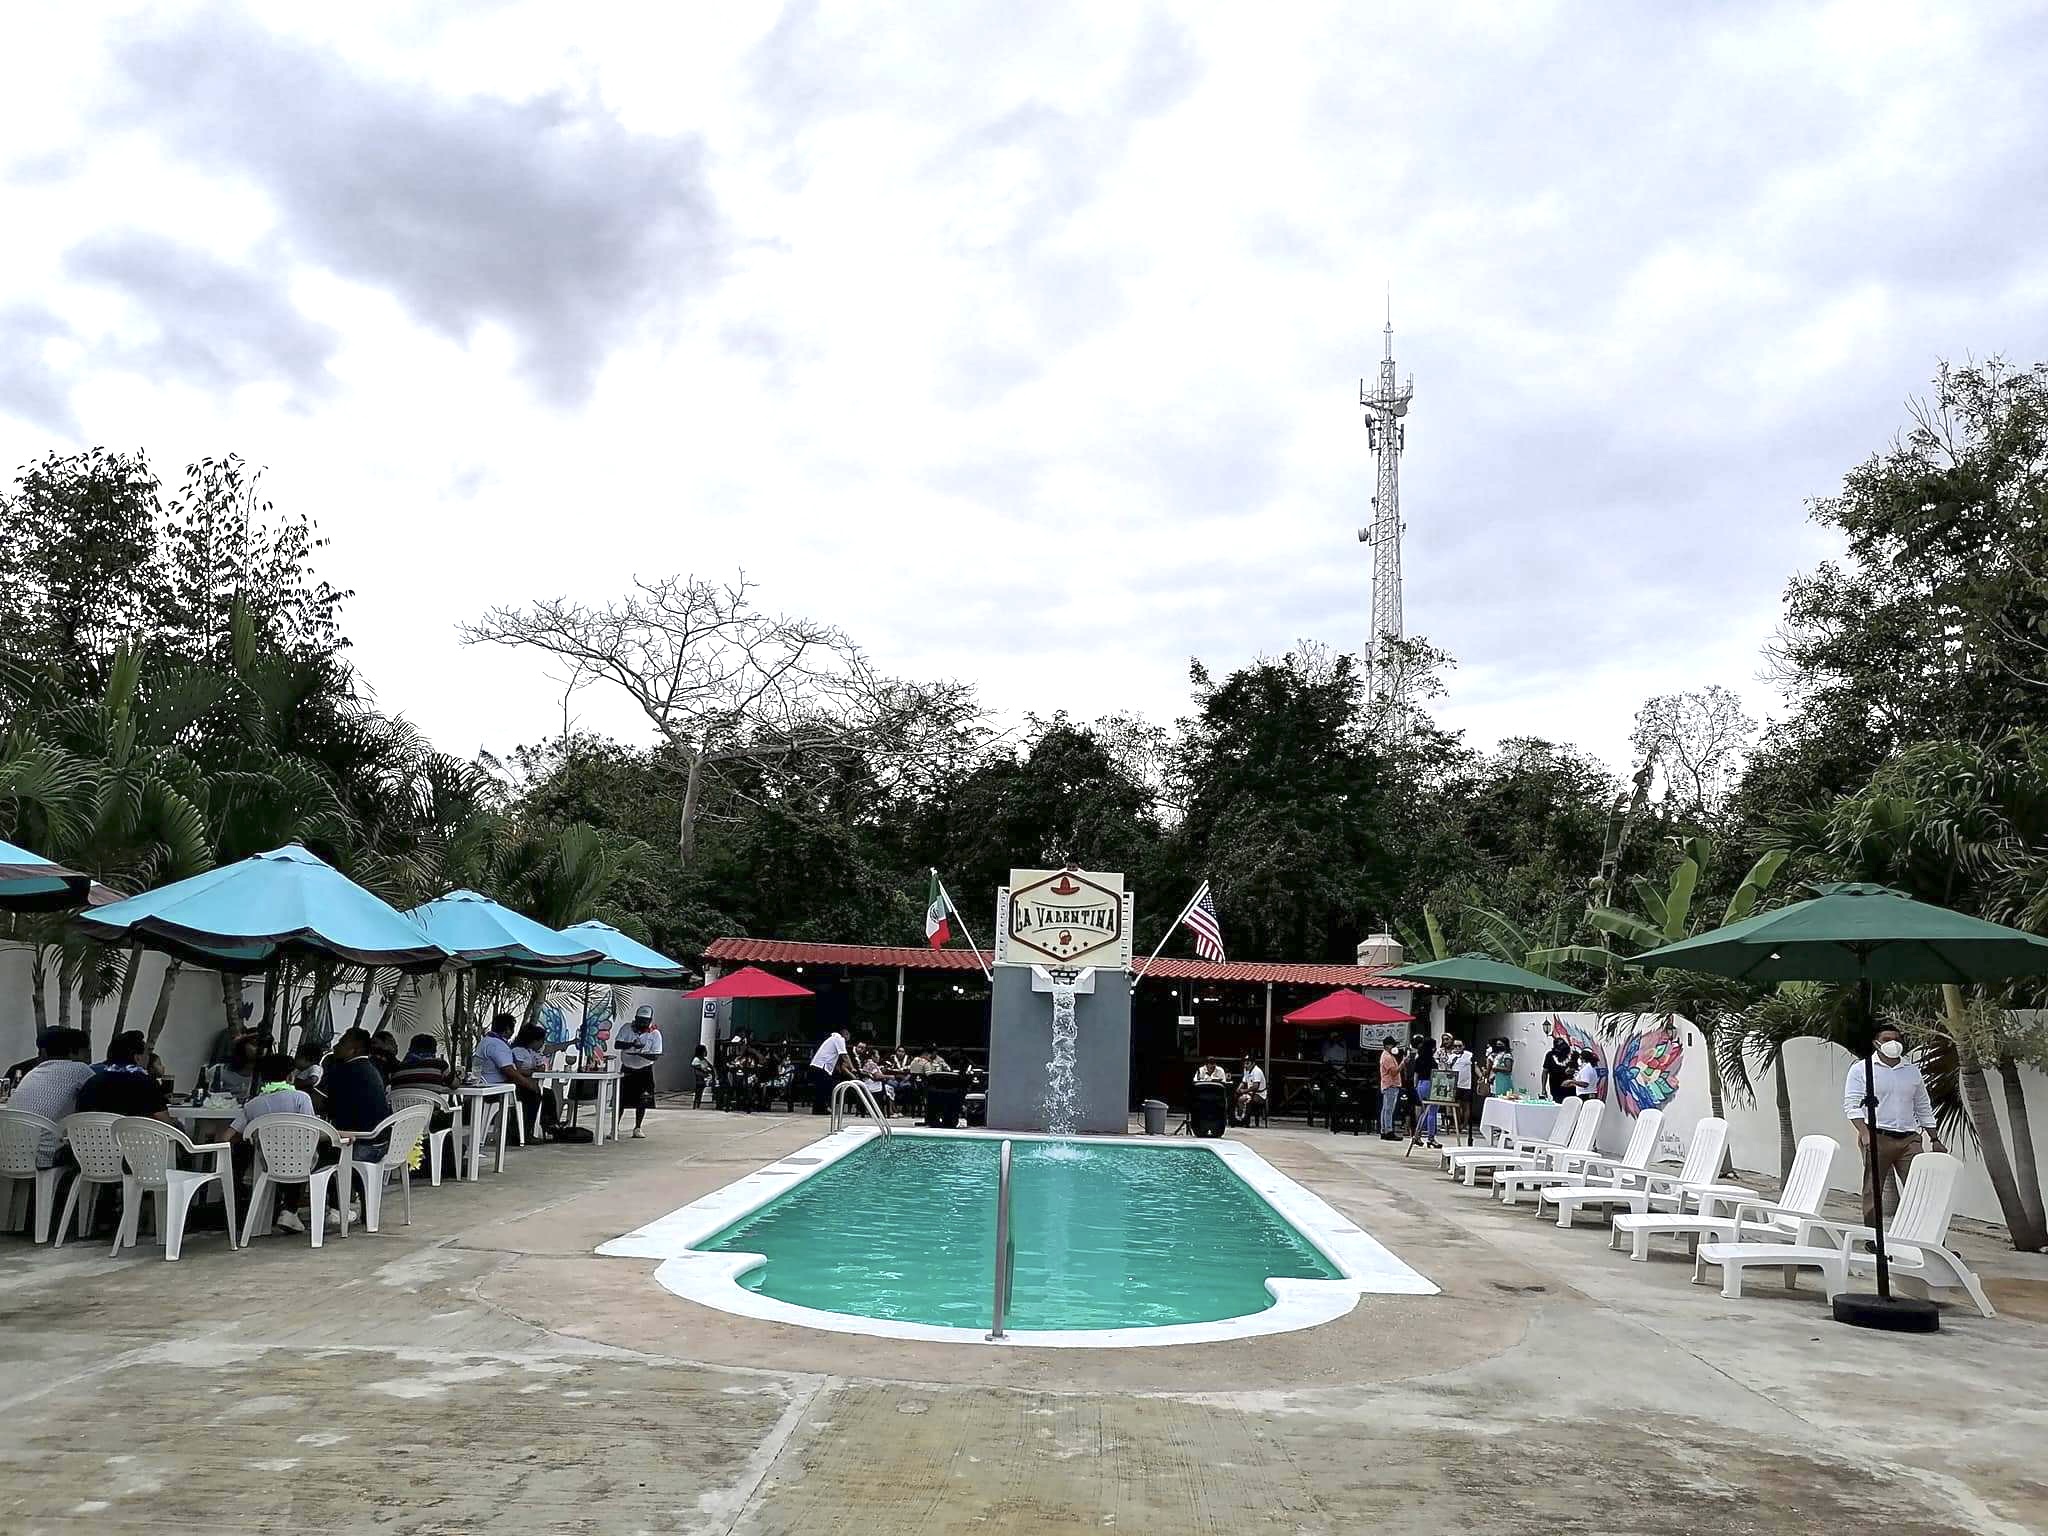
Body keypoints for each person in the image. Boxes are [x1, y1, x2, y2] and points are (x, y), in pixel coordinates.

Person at [1844, 1025, 1945, 1224]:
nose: (1893, 1043)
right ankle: (1873, 1236)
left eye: (1897, 1040)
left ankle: (1930, 1240)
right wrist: (1865, 1133)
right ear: (1877, 1043)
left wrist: (1934, 1138)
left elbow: (1922, 1105)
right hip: (1877, 1135)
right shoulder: (1862, 1070)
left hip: (1909, 1138)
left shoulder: (1911, 1070)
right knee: (1873, 1190)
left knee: (1919, 1189)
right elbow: (1852, 1105)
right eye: (1887, 1039)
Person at [8, 1026, 95, 1168]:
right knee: (90, 1152)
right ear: (73, 1052)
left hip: (12, 1153)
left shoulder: (33, 1072)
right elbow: (99, 1091)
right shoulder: (80, 1069)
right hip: (43, 1155)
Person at [323, 1027, 392, 1164]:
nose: (335, 1046)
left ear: (354, 1050)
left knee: (311, 1153)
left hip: (359, 1146)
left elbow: (326, 1107)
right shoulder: (372, 1068)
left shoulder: (344, 1071)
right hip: (380, 1143)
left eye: (341, 1043)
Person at [475, 1012, 544, 1140]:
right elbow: (509, 1070)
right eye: (512, 1028)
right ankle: (522, 1134)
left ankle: (518, 1131)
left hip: (487, 1085)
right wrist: (528, 1083)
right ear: (507, 1029)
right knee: (533, 1093)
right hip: (497, 1089)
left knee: (535, 1091)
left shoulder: (486, 1041)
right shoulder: (497, 1045)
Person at [77, 1031, 173, 1120]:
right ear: (137, 1057)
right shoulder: (147, 1082)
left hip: (99, 1136)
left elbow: (81, 1115)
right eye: (147, 1054)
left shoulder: (92, 1081)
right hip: (139, 1137)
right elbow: (163, 1119)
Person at [615, 1004, 664, 1139]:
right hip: (627, 1069)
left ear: (649, 1021)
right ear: (635, 1018)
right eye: (639, 1020)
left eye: (645, 1022)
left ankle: (637, 1127)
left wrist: (640, 1053)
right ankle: (615, 1127)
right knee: (621, 1100)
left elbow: (656, 1055)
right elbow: (617, 1044)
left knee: (642, 1100)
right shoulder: (627, 1028)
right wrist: (632, 1045)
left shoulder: (655, 1034)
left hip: (644, 1070)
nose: (641, 1024)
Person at [809, 1025, 849, 1114]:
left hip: (817, 1065)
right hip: (821, 1066)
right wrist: (852, 1068)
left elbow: (836, 1057)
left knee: (821, 1088)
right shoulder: (839, 1039)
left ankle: (818, 1109)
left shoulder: (832, 1039)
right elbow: (844, 1055)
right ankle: (821, 1109)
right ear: (845, 1034)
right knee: (824, 1088)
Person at [1378, 1038, 1403, 1139]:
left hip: (1388, 1085)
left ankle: (1384, 1130)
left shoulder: (1387, 1055)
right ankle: (1388, 1130)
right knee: (1389, 1110)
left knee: (1385, 1109)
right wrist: (1403, 1063)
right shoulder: (1387, 1057)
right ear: (1388, 1046)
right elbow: (1394, 1072)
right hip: (1390, 1085)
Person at [1542, 1035, 1575, 1103]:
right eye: (1561, 1048)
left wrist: (1571, 1071)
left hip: (1570, 1088)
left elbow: (1577, 1069)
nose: (1563, 1050)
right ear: (1556, 1048)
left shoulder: (1571, 1055)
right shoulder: (1550, 1055)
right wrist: (1543, 1088)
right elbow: (1545, 1072)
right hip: (1556, 1088)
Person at [690, 1042, 712, 1109]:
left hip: (707, 1077)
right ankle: (696, 1106)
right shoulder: (696, 1060)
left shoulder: (704, 1060)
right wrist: (708, 1071)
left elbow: (710, 1067)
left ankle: (697, 1105)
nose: (706, 1052)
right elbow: (701, 1069)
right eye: (705, 1050)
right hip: (701, 1078)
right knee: (698, 1093)